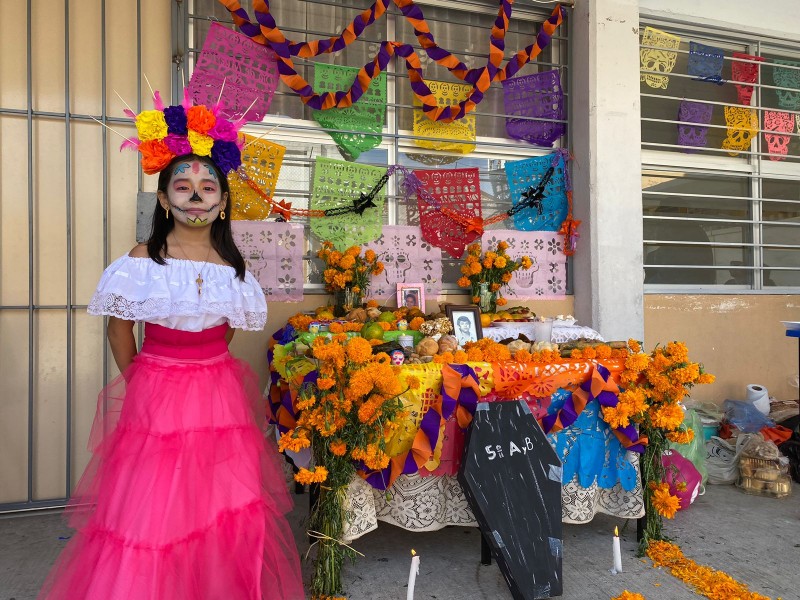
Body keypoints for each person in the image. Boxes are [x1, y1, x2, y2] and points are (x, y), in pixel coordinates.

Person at [38, 93, 304, 599]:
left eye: (208, 188)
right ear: (164, 200)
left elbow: (226, 330)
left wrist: (202, 360)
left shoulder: (233, 269)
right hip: (157, 382)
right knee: (153, 500)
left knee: (219, 494)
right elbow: (120, 328)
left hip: (217, 386)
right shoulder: (143, 259)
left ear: (223, 202)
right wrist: (139, 374)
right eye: (182, 187)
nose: (196, 197)